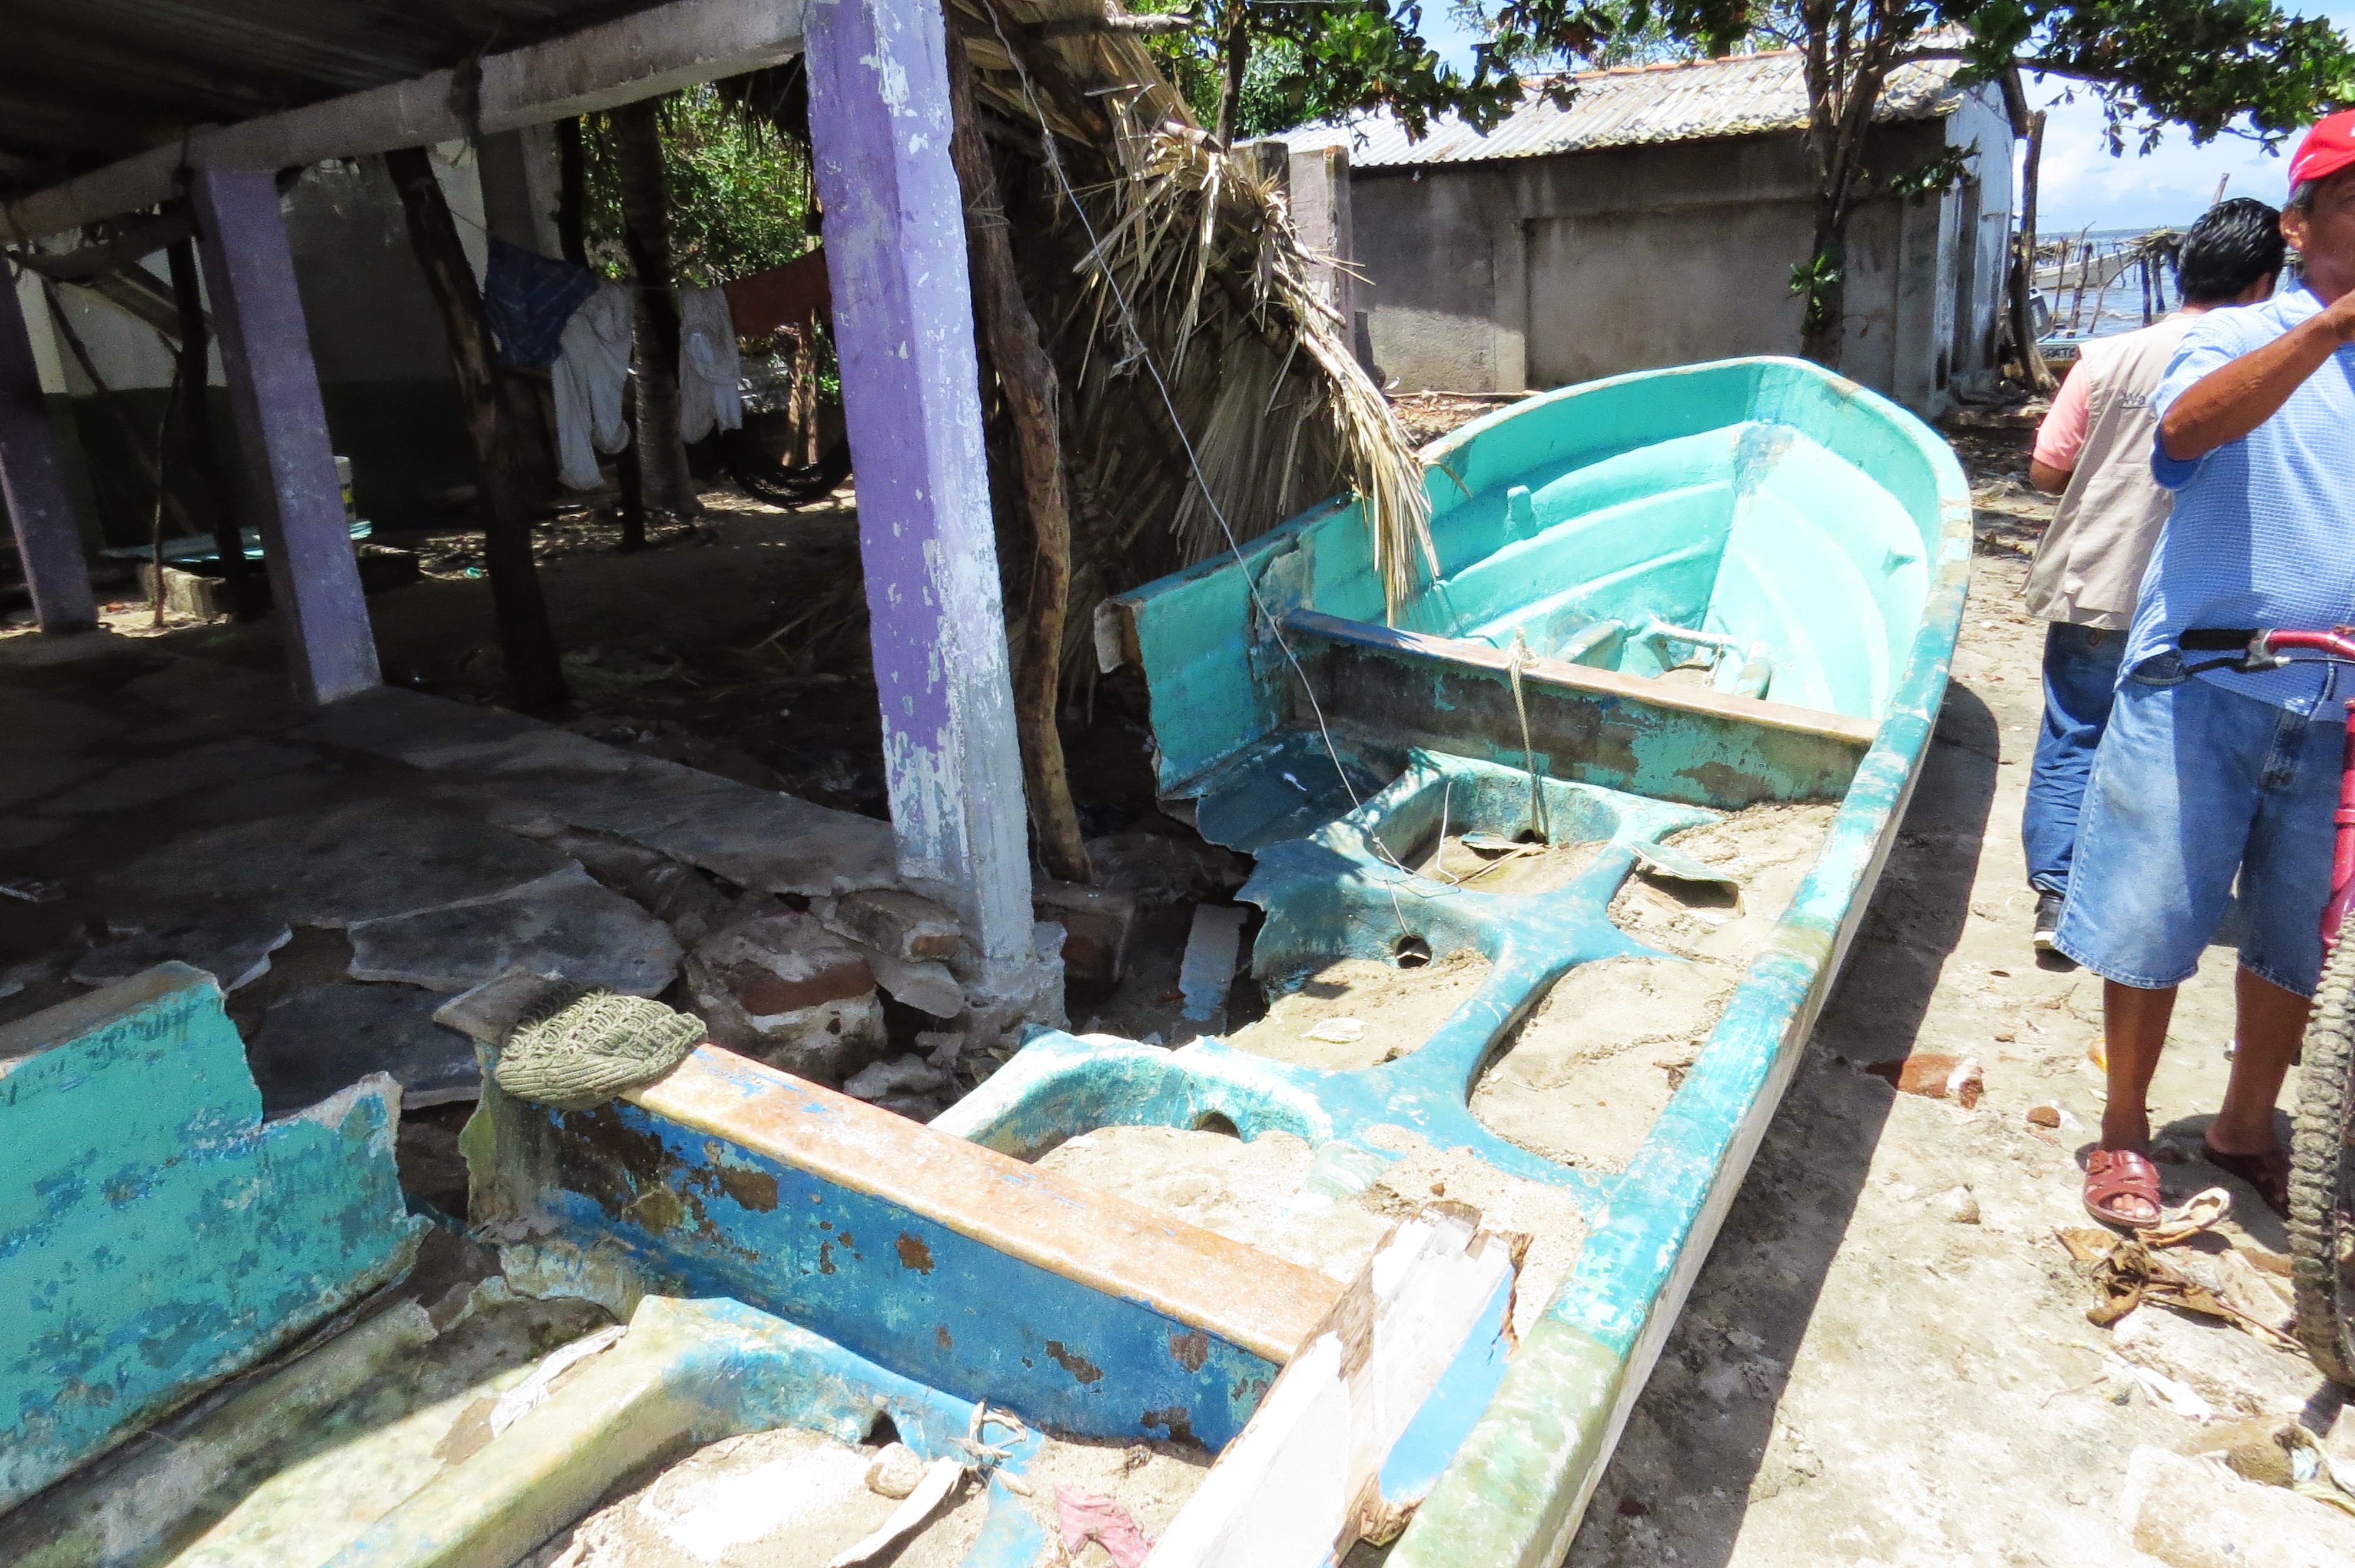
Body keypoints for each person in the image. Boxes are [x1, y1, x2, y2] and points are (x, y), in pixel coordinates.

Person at [2056, 111, 2355, 1229]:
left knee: (2294, 940)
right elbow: (2181, 436)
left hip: (2335, 708)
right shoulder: (2240, 334)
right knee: (2152, 918)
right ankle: (2125, 1131)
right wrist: (2326, 332)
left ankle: (2244, 1125)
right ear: (2300, 223)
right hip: (2205, 685)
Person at [2020, 200, 2283, 954]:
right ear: (2264, 283)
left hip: (2100, 576)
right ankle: (2149, 907)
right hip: (2209, 597)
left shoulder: (2104, 357)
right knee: (2180, 750)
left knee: (2075, 732)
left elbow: (2047, 469)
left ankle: (2056, 897)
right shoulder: (2265, 369)